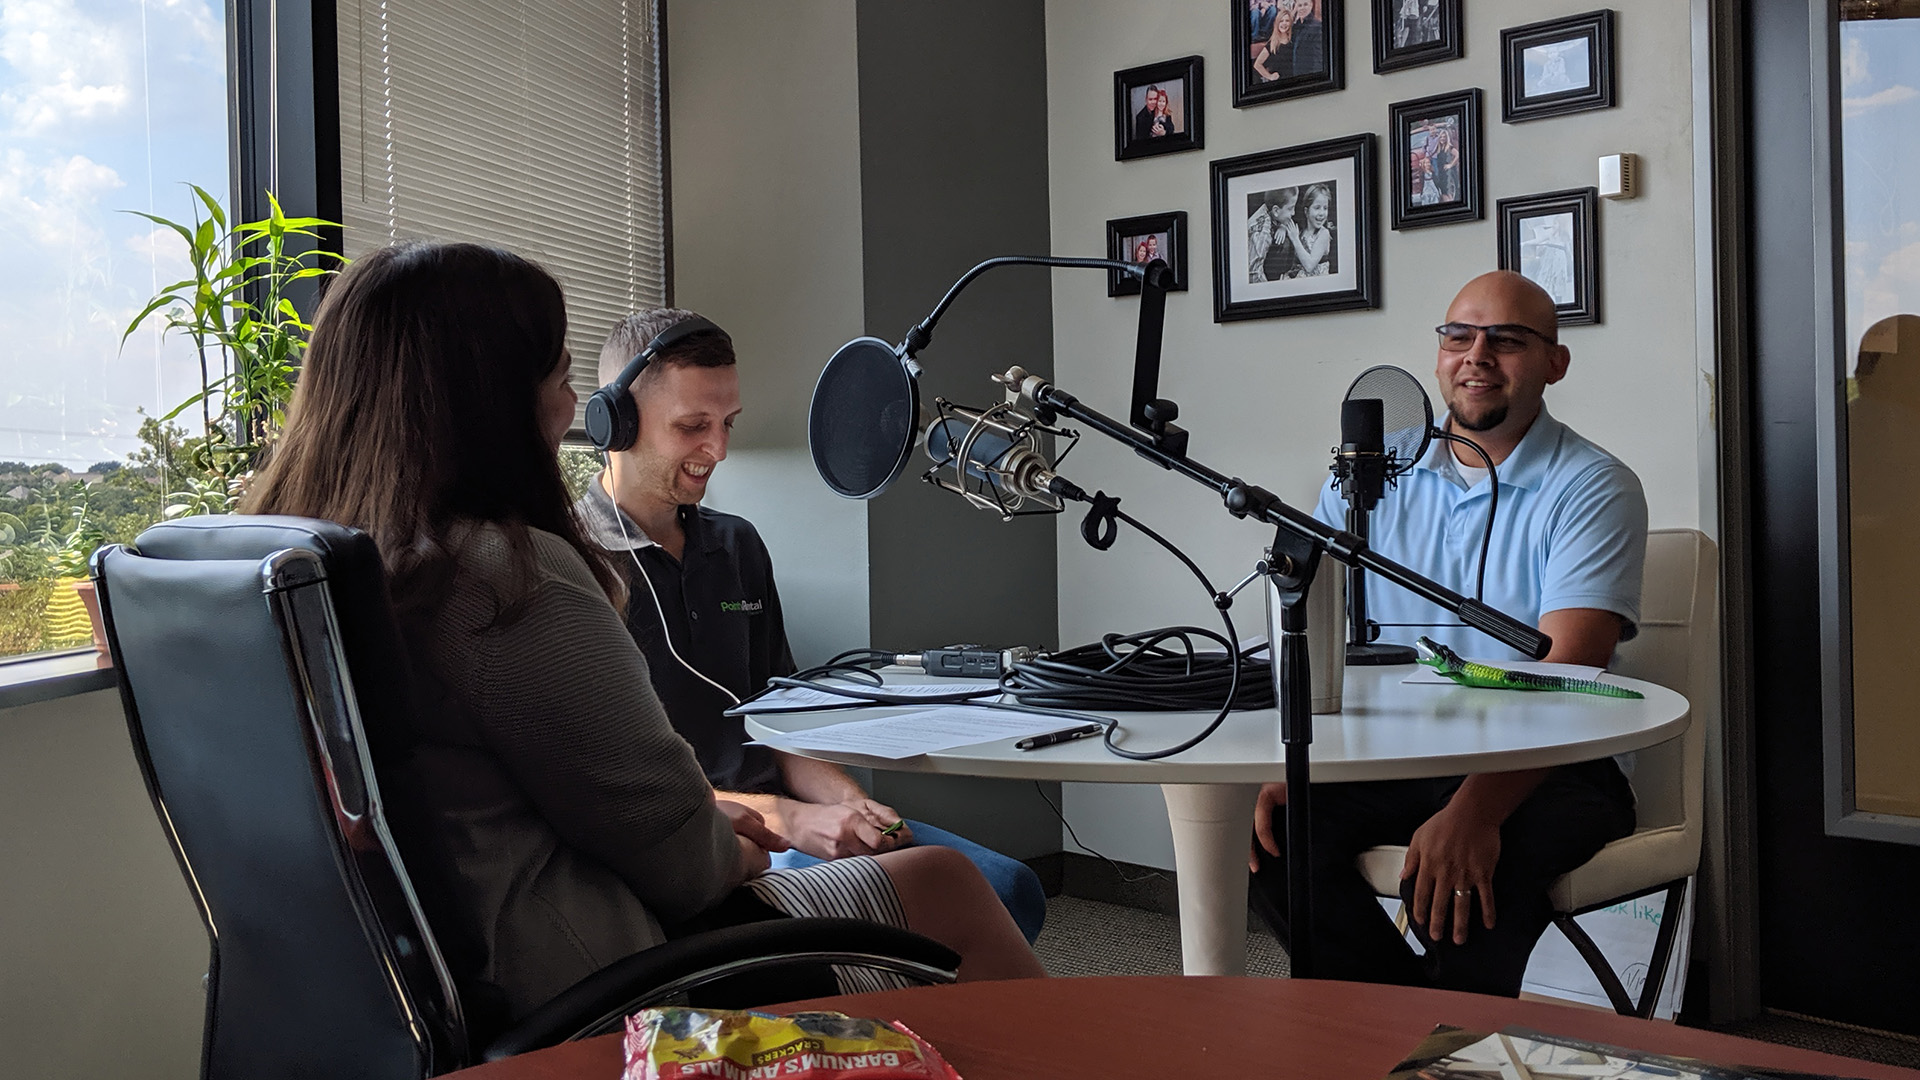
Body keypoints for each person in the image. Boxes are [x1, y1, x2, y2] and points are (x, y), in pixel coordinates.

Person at [243, 242, 1045, 1022]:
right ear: (491, 400)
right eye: (557, 380)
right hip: (599, 974)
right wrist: (741, 830)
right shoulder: (510, 580)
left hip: (397, 985)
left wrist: (789, 807)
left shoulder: (303, 566)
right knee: (945, 883)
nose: (568, 412)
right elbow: (681, 866)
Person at [574, 306, 1050, 946]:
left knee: (1012, 887)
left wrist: (846, 803)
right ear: (617, 422)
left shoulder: (737, 547)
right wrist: (793, 821)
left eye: (728, 424)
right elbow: (612, 795)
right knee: (925, 915)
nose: (718, 450)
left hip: (797, 817)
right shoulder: (572, 566)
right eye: (692, 427)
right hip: (704, 844)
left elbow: (778, 720)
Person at [1248, 270, 1647, 997]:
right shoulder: (1364, 479)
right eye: (1458, 336)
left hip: (1555, 763)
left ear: (1555, 363)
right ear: (1437, 355)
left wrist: (1474, 811)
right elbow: (1313, 630)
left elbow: (1569, 669)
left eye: (1507, 340)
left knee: (1468, 889)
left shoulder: (1594, 486)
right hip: (1400, 753)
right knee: (1266, 840)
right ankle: (1395, 1033)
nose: (1477, 356)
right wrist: (1297, 764)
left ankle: (1437, 1042)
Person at [1282, 183, 1334, 276]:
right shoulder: (1302, 232)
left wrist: (1295, 239)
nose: (1322, 213)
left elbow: (1309, 266)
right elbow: (1285, 221)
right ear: (1306, 211)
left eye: (1325, 208)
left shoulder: (1323, 234)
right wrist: (1281, 228)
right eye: (1317, 208)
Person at [1261, 189, 1301, 282]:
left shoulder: (1281, 216)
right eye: (1291, 208)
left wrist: (1283, 226)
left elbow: (1289, 218)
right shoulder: (1262, 232)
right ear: (1275, 210)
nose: (1293, 213)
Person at [1252, 3, 1295, 82]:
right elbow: (1257, 64)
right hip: (1280, 82)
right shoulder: (1272, 44)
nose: (1284, 23)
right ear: (1277, 23)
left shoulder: (1294, 40)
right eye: (1281, 21)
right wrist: (1270, 76)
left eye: (1287, 21)